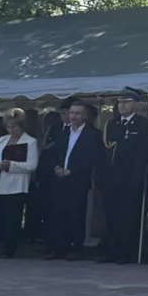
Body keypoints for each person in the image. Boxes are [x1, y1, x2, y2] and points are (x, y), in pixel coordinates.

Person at [39, 99, 101, 260]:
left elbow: (91, 158)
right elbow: (56, 153)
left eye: (77, 113)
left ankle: (76, 248)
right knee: (58, 214)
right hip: (59, 179)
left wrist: (71, 170)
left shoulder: (93, 135)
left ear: (85, 116)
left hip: (78, 180)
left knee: (76, 214)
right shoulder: (63, 132)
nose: (73, 116)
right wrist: (58, 167)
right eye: (71, 112)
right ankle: (59, 247)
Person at [101, 87, 148, 263]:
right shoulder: (112, 124)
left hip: (131, 179)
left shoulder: (143, 125)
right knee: (112, 216)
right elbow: (106, 153)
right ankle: (111, 251)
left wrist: (136, 179)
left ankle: (126, 252)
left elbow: (143, 154)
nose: (122, 105)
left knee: (128, 217)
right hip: (112, 178)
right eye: (120, 102)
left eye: (126, 102)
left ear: (136, 105)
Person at [0, 108, 39, 258]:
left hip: (15, 186)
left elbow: (31, 165)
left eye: (14, 127)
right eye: (8, 127)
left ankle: (9, 249)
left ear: (22, 126)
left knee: (11, 218)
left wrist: (11, 165)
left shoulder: (30, 142)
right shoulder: (2, 140)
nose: (11, 130)